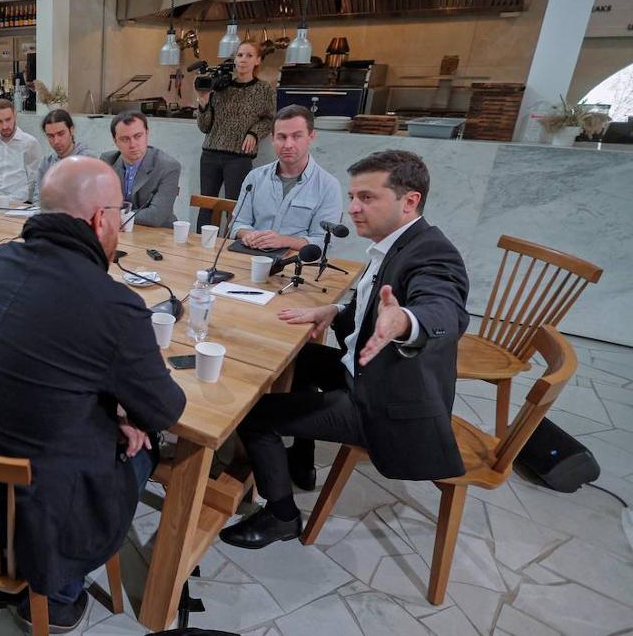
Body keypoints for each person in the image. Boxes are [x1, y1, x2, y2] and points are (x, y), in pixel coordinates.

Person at [0, 156, 186, 631]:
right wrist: (128, 416)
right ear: (97, 219)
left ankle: (0, 567)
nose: (120, 226)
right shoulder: (117, 307)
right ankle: (61, 587)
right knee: (146, 447)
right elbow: (168, 409)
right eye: (119, 214)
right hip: (32, 508)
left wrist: (113, 408)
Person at [219, 150, 468, 549]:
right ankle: (299, 458)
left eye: (367, 198)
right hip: (366, 372)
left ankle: (282, 516)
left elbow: (444, 310)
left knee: (253, 415)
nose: (352, 208)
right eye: (352, 197)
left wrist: (404, 320)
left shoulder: (434, 253)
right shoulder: (396, 243)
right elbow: (371, 299)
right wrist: (333, 308)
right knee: (296, 360)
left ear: (409, 201)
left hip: (384, 402)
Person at [229, 105, 344, 251]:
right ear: (272, 139)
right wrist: (250, 235)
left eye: (297, 136)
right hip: (252, 257)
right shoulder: (255, 177)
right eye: (282, 137)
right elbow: (237, 223)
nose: (288, 145)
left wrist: (283, 241)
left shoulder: (328, 186)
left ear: (311, 137)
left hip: (298, 264)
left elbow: (323, 241)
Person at [195, 40, 275, 227]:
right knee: (206, 205)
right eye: (239, 55)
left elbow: (270, 119)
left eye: (249, 55)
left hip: (238, 158)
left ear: (258, 60)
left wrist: (254, 134)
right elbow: (205, 127)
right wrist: (203, 102)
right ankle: (200, 247)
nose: (243, 60)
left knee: (236, 207)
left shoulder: (264, 90)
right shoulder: (220, 88)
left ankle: (229, 247)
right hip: (210, 154)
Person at [100, 111, 181, 228]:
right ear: (115, 141)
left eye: (138, 136)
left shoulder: (168, 167)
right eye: (125, 139)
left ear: (147, 134)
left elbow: (155, 216)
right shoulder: (107, 161)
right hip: (119, 233)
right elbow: (98, 204)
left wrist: (117, 216)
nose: (133, 144)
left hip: (159, 235)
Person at [0, 100, 44, 203]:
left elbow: (34, 182)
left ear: (15, 116)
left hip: (21, 204)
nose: (5, 126)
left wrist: (11, 202)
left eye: (8, 119)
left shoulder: (29, 143)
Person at [31, 109, 91, 203]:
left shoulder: (87, 160)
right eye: (50, 136)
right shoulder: (46, 162)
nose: (56, 141)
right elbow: (37, 197)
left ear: (71, 131)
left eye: (61, 134)